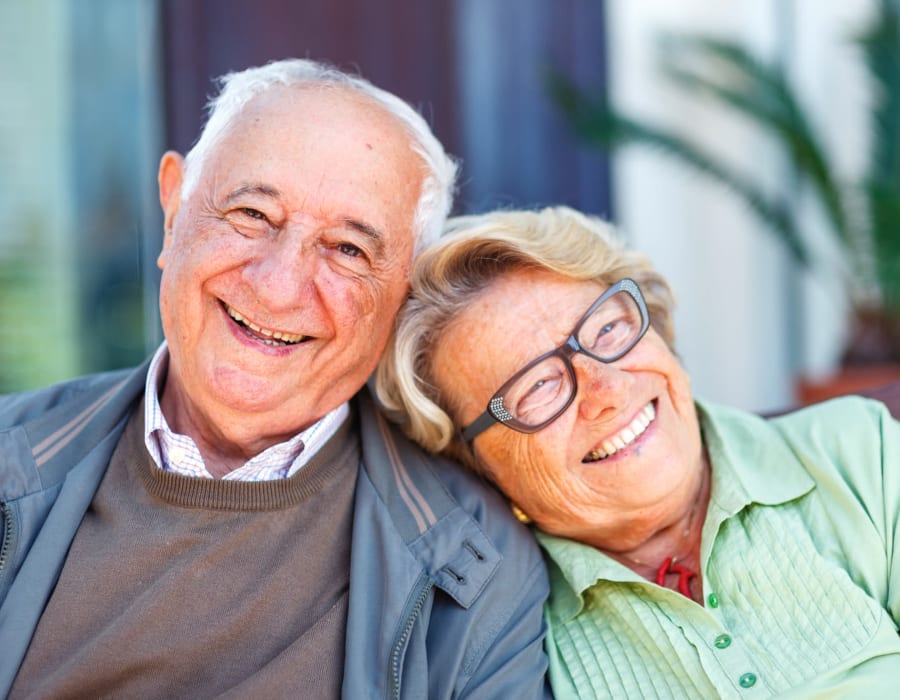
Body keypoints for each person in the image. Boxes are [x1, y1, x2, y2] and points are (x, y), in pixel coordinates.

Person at [0, 59, 551, 699]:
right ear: (175, 210)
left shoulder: (477, 569)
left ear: (404, 294)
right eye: (253, 214)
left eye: (348, 249)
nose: (278, 284)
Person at [376, 205, 900, 698]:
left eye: (606, 328)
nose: (606, 389)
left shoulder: (860, 454)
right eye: (536, 386)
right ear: (479, 466)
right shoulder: (513, 639)